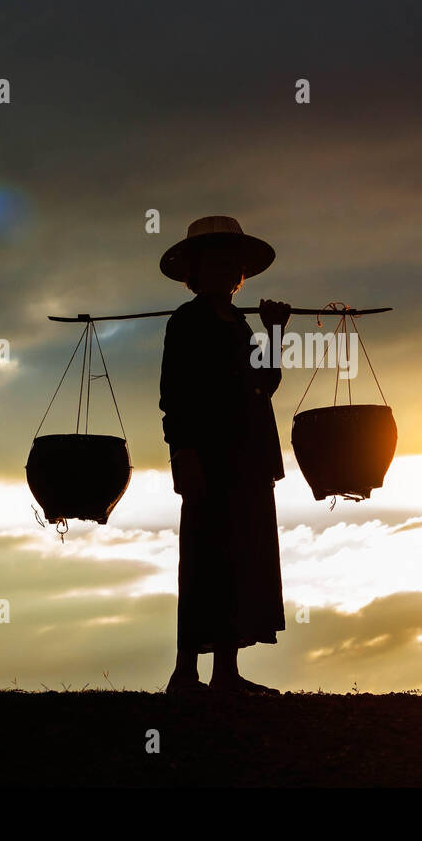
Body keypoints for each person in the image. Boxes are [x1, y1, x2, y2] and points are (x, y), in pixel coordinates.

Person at [158, 216, 291, 695]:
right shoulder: (187, 322)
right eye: (214, 263)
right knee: (203, 557)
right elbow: (174, 395)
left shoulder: (240, 324)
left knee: (241, 555)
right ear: (196, 273)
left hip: (249, 456)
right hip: (207, 456)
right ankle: (186, 671)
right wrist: (183, 454)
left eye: (232, 264)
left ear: (240, 275)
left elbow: (266, 384)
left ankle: (227, 673)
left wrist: (275, 332)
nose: (226, 272)